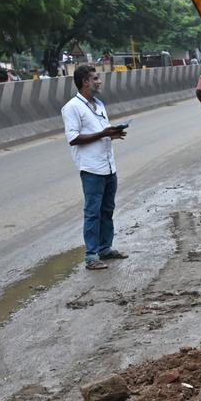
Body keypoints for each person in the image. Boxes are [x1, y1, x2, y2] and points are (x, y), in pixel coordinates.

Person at [61, 64, 129, 270]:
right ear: (85, 82)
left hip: (108, 166)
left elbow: (100, 132)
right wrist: (103, 134)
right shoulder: (72, 107)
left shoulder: (98, 104)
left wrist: (112, 134)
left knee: (107, 210)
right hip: (91, 169)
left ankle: (105, 248)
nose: (99, 82)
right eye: (95, 78)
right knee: (92, 212)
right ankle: (91, 256)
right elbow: (73, 138)